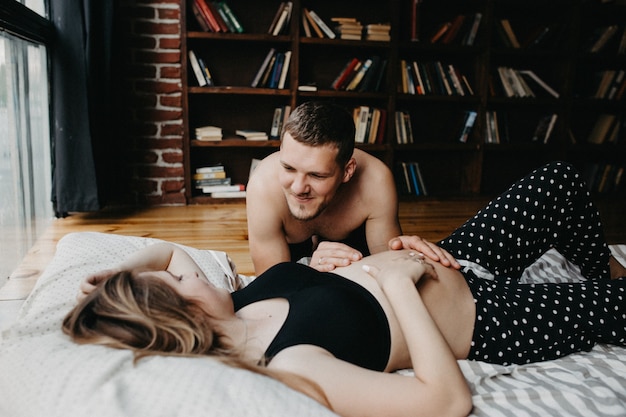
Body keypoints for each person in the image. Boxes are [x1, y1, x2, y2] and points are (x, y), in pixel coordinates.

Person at [65, 161, 626, 417]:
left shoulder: (236, 300)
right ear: (188, 315)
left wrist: (116, 279)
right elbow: (447, 401)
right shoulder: (291, 364)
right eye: (184, 282)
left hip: (455, 258)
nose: (191, 271)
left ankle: (602, 273)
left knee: (560, 180)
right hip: (492, 315)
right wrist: (397, 283)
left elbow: (168, 254)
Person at [245, 101, 460, 274]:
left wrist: (409, 256)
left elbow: (387, 276)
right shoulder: (263, 185)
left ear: (348, 171)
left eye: (316, 175)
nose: (299, 187)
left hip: (356, 255)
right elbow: (272, 290)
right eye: (289, 168)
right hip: (293, 263)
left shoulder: (376, 181)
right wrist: (310, 271)